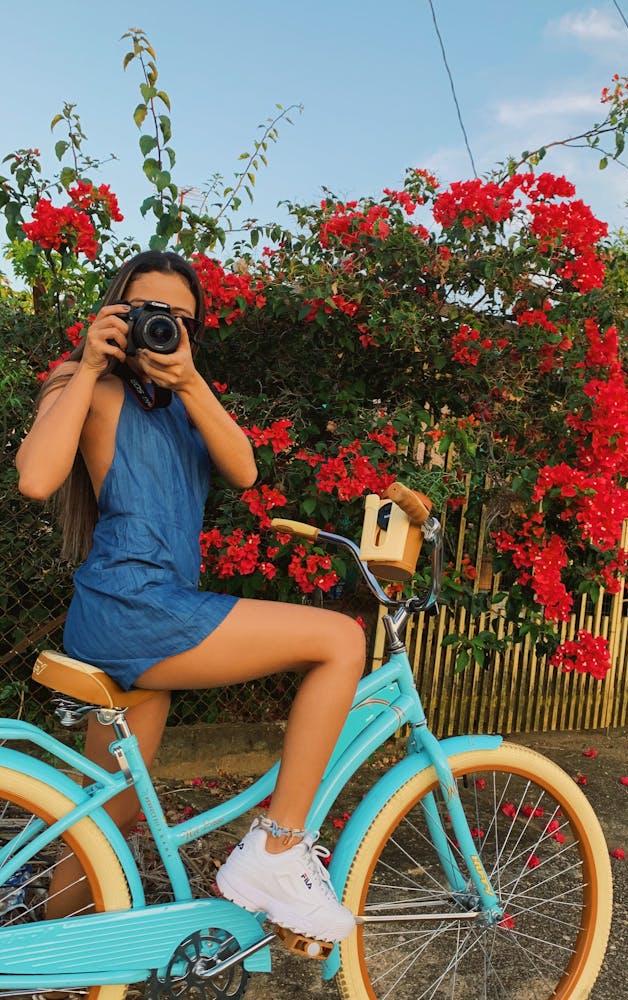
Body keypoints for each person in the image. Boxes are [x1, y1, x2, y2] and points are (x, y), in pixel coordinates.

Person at [15, 250, 364, 943]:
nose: (163, 327)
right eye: (149, 310)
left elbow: (244, 469)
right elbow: (36, 478)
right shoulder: (86, 385)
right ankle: (276, 850)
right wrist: (86, 366)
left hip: (141, 616)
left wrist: (192, 381)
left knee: (111, 817)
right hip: (134, 609)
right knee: (341, 639)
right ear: (117, 310)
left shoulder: (183, 403)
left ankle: (43, 973)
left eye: (181, 320)